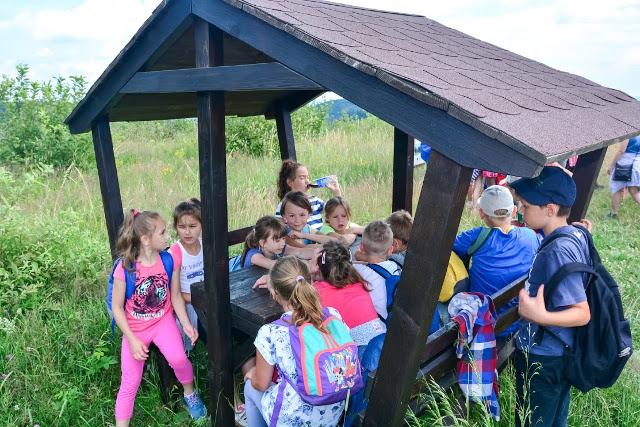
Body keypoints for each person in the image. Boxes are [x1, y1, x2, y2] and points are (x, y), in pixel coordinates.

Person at [510, 166, 592, 427]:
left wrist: (540, 315)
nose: (520, 210)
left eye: (526, 206)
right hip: (559, 352)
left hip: (544, 357)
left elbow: (582, 313)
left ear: (550, 209)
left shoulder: (557, 250)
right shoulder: (574, 234)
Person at [111, 209, 205, 426]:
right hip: (135, 329)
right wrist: (132, 340)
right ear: (146, 240)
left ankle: (190, 394)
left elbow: (175, 296)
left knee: (179, 359)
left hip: (163, 322)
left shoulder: (169, 260)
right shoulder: (125, 269)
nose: (167, 237)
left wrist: (186, 323)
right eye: (162, 233)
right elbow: (117, 308)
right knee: (130, 381)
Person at [243, 256, 354, 427]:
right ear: (310, 284)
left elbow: (261, 384)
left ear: (274, 294)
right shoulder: (333, 315)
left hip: (292, 419)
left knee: (250, 388)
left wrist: (252, 373)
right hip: (332, 412)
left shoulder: (270, 332)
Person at [453, 185, 539, 336]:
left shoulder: (476, 236)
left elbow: (446, 249)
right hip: (515, 321)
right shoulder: (530, 236)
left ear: (482, 213)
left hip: (482, 324)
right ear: (514, 211)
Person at [311, 241, 386, 351]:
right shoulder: (358, 282)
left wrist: (311, 272)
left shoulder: (318, 290)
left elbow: (299, 294)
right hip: (381, 340)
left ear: (317, 267)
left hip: (360, 350)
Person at [169, 198, 205, 351]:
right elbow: (175, 293)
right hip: (187, 302)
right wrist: (204, 299)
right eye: (182, 227)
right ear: (175, 227)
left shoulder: (206, 245)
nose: (187, 232)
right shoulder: (175, 252)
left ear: (202, 225)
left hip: (205, 298)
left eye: (192, 226)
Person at [275, 159, 341, 231]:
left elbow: (336, 211)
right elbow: (279, 229)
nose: (307, 181)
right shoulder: (284, 205)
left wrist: (336, 192)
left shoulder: (315, 201)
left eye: (307, 177)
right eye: (302, 178)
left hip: (321, 236)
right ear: (290, 182)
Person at [353, 221, 400, 320]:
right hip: (394, 318)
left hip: (379, 322)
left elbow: (352, 259)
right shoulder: (394, 266)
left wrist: (358, 256)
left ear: (361, 247)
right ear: (390, 250)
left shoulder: (357, 270)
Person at [607, 136, 640, 218]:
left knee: (617, 188)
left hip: (625, 163)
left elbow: (621, 151)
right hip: (637, 163)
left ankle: (614, 213)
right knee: (634, 191)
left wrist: (612, 165)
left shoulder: (629, 133)